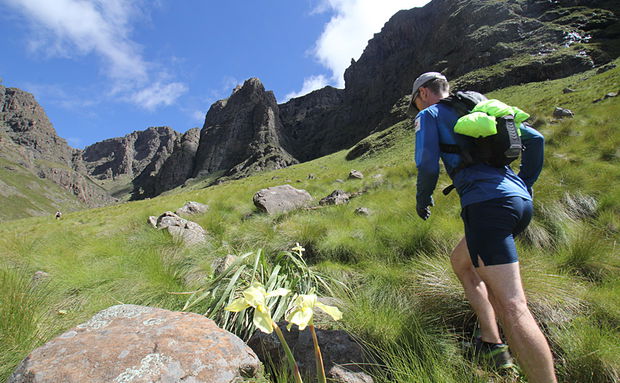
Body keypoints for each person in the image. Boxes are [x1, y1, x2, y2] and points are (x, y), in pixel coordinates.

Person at [409, 72, 556, 383]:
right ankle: (490, 341)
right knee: (461, 262)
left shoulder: (430, 114)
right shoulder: (482, 108)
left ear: (423, 93)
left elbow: (425, 163)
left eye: (415, 103)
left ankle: (521, 366)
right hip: (517, 203)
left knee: (513, 307)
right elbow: (536, 140)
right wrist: (525, 185)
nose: (415, 109)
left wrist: (423, 199)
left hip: (487, 207)